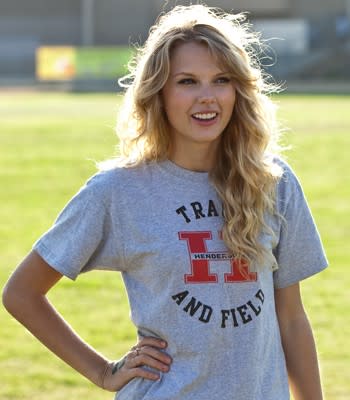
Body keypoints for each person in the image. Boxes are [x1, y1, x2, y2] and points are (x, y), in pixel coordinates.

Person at [2, 4, 327, 400]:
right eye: (188, 81)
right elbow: (22, 293)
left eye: (221, 80)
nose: (207, 98)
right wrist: (102, 372)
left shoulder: (273, 181)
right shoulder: (118, 192)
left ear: (238, 90)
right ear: (159, 92)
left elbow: (291, 318)